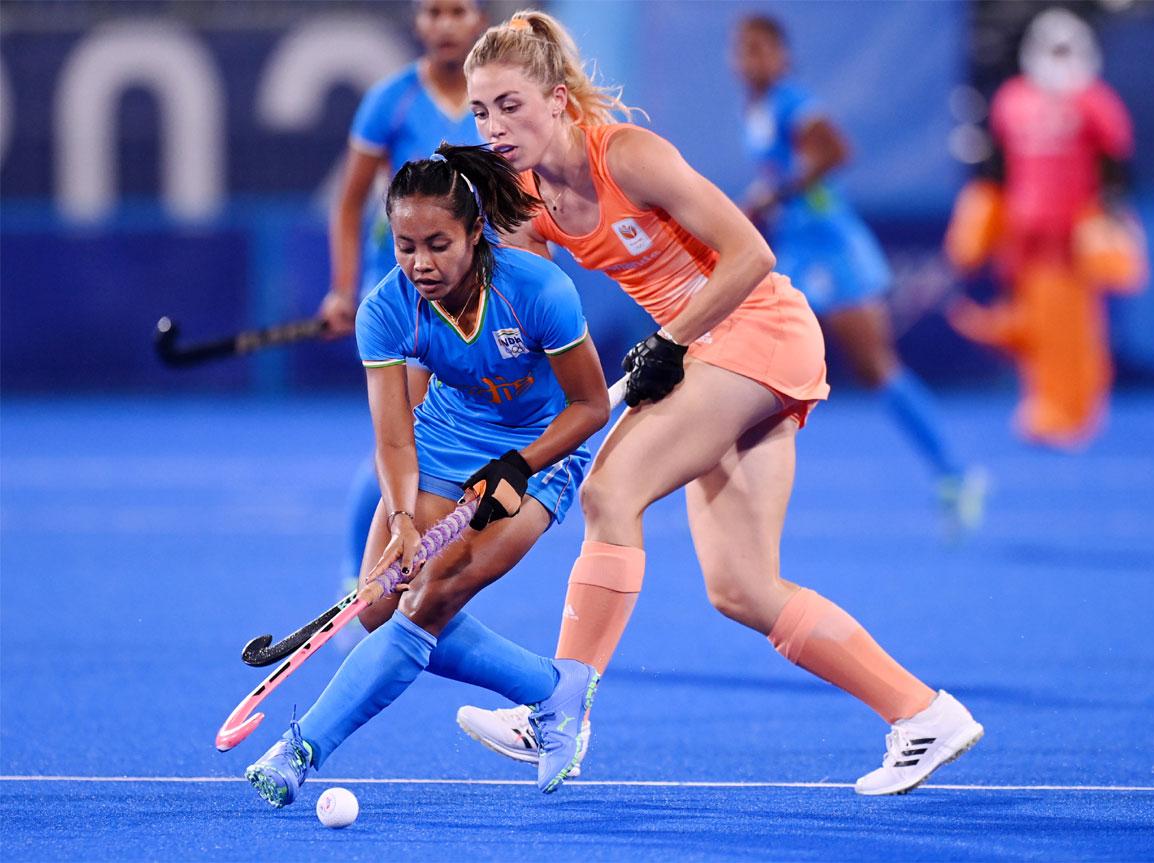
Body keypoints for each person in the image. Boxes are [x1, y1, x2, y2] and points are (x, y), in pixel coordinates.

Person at [455, 10, 984, 796]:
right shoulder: (532, 205)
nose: (494, 126)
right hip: (708, 353)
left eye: (510, 105)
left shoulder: (627, 156)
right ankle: (923, 713)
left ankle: (560, 708)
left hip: (756, 326)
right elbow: (525, 321)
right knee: (740, 585)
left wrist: (670, 340)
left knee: (611, 491)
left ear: (559, 100)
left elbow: (751, 253)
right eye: (480, 111)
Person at [244, 143, 611, 806]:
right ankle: (553, 687)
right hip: (446, 434)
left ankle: (302, 748)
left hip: (542, 446)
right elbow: (391, 434)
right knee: (380, 605)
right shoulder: (386, 310)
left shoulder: (538, 290)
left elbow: (592, 405)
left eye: (438, 243)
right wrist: (407, 517)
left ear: (475, 232)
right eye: (406, 245)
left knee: (429, 596)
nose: (421, 263)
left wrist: (518, 466)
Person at [732, 15, 985, 531]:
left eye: (760, 49)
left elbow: (836, 150)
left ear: (783, 56)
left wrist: (773, 197)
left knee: (875, 367)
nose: (749, 60)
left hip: (831, 248)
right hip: (799, 250)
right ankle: (742, 488)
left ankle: (955, 474)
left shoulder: (791, 102)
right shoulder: (756, 111)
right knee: (759, 356)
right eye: (742, 50)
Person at [321, 0, 488, 602]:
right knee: (408, 436)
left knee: (439, 435)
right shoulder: (391, 99)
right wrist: (344, 289)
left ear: (480, 19)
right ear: (418, 23)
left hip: (477, 292)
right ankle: (359, 576)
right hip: (410, 291)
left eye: (457, 11)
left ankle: (396, 572)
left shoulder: (493, 96)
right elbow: (348, 203)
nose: (444, 25)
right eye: (432, 12)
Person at [944, 8, 1145, 449]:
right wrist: (980, 224)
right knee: (1032, 328)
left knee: (1072, 332)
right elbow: (996, 171)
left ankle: (1072, 412)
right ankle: (1043, 403)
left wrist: (1108, 219)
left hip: (1071, 241)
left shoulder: (1095, 102)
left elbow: (1117, 167)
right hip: (1024, 237)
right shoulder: (1012, 101)